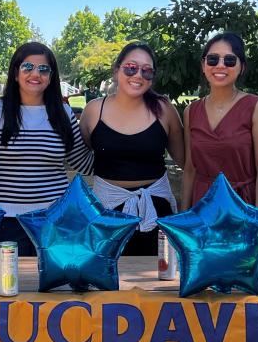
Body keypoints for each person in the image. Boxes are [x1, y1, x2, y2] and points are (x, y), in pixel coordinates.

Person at [0, 42, 93, 256]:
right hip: (7, 220)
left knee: (52, 287)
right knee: (14, 285)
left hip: (55, 217)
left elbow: (83, 163)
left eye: (44, 69)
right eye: (28, 67)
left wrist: (115, 142)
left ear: (51, 77)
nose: (36, 74)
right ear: (15, 73)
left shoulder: (64, 113)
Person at [79, 42, 185, 255]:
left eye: (147, 71)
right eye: (131, 67)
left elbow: (187, 163)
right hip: (106, 211)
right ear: (117, 70)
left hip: (156, 210)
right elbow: (82, 155)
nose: (138, 75)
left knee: (158, 280)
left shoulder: (164, 110)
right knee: (109, 281)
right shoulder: (93, 111)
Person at [181, 32, 258, 212]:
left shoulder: (256, 107)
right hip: (202, 209)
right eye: (213, 59)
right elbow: (190, 169)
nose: (220, 65)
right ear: (203, 65)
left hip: (242, 207)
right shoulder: (191, 111)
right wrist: (184, 217)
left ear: (241, 67)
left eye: (230, 60)